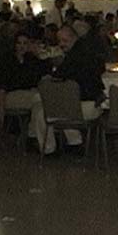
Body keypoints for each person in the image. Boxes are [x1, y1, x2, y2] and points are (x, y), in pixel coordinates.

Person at [42, 25, 104, 154]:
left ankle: (48, 148)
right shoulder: (87, 51)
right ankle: (73, 143)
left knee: (41, 108)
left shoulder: (74, 57)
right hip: (89, 101)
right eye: (60, 41)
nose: (61, 44)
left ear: (74, 38)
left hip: (83, 106)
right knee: (53, 103)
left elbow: (59, 75)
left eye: (65, 41)